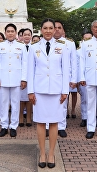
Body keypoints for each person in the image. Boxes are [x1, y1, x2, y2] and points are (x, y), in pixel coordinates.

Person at [27, 18, 69, 169]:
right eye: (45, 28)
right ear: (41, 29)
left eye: (51, 28)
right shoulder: (33, 48)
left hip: (56, 90)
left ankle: (51, 153)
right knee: (40, 121)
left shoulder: (63, 47)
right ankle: (42, 153)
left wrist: (65, 91)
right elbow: (30, 70)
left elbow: (66, 70)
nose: (49, 30)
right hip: (39, 90)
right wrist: (30, 91)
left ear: (55, 30)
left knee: (53, 122)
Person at [0, 23, 27, 138]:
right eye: (8, 31)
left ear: (16, 33)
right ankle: (4, 126)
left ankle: (13, 126)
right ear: (5, 33)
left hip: (16, 79)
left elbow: (25, 63)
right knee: (3, 103)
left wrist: (24, 79)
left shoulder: (21, 46)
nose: (10, 33)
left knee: (15, 103)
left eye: (12, 31)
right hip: (3, 79)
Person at [54, 21, 77, 138]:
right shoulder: (44, 43)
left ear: (63, 30)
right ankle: (48, 126)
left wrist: (73, 79)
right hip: (51, 78)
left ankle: (61, 127)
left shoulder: (70, 44)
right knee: (50, 103)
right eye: (55, 27)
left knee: (63, 103)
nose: (57, 30)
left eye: (59, 28)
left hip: (65, 78)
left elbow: (74, 62)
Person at [77, 31, 93, 127]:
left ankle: (93, 118)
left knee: (93, 100)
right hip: (83, 80)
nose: (87, 40)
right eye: (85, 38)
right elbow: (77, 66)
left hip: (93, 79)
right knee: (84, 100)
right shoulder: (78, 51)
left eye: (89, 38)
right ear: (82, 40)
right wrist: (79, 79)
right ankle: (84, 118)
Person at [19, 28, 33, 127]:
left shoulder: (35, 47)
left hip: (32, 76)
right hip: (20, 76)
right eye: (25, 34)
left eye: (29, 34)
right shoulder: (19, 47)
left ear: (31, 36)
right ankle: (20, 118)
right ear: (22, 36)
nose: (27, 36)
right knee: (20, 98)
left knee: (29, 98)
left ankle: (28, 118)